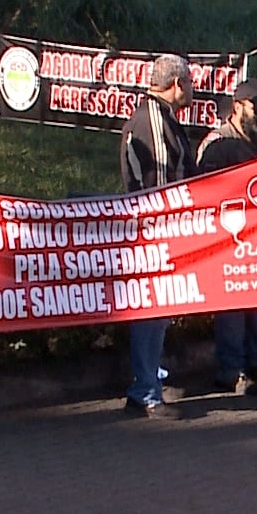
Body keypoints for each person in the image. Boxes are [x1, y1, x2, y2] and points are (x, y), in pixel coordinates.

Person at [195, 77, 257, 397]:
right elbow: (202, 191)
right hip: (228, 240)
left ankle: (256, 359)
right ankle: (230, 369)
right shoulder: (216, 144)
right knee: (232, 308)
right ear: (238, 107)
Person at [116, 54, 195, 420]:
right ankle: (145, 389)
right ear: (177, 83)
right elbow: (164, 188)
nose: (193, 89)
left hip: (155, 233)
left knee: (158, 312)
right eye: (190, 82)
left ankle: (151, 379)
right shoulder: (152, 123)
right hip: (155, 234)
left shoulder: (159, 118)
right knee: (152, 310)